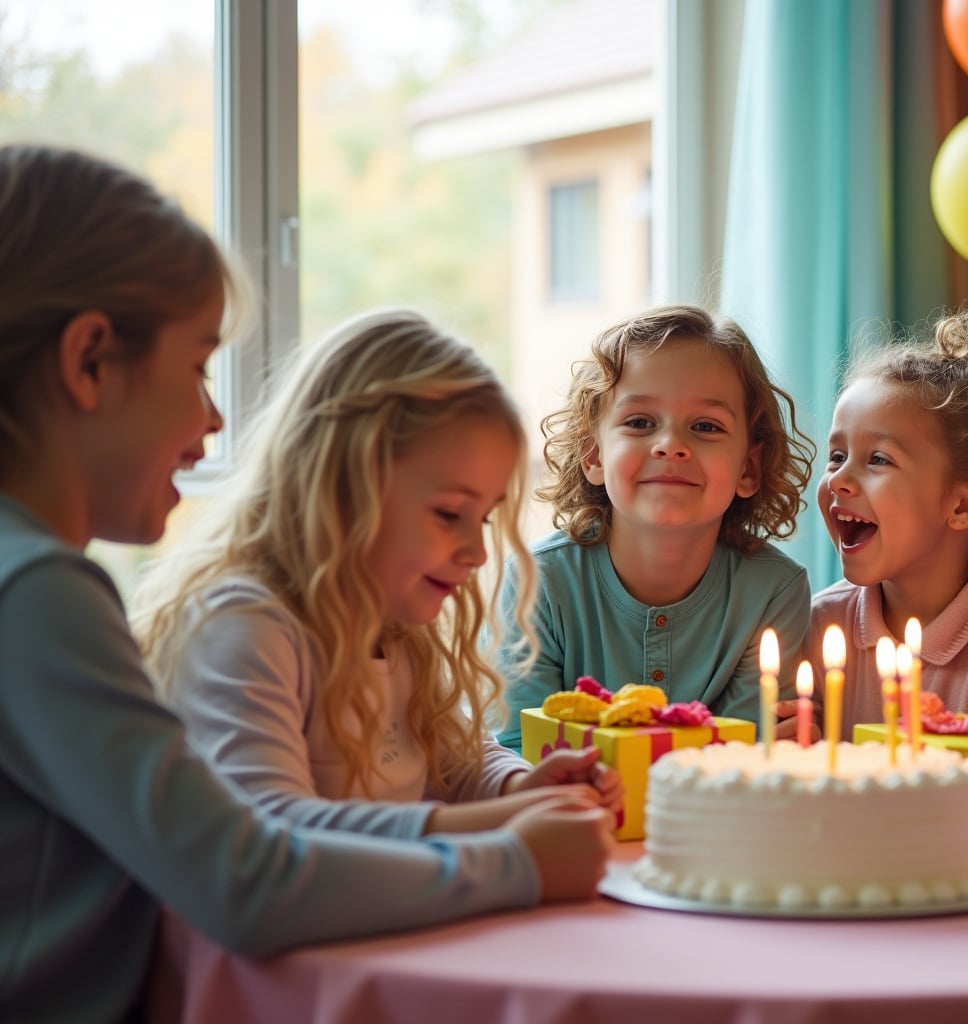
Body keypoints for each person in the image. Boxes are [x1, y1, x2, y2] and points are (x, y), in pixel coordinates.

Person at [0, 144, 611, 1022]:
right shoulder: (38, 594)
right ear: (90, 360)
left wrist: (515, 795)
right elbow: (243, 870)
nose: (214, 416)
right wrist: (513, 859)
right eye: (200, 365)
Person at [136, 310, 622, 837]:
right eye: (447, 515)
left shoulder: (396, 630)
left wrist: (522, 788)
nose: (478, 553)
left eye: (482, 519)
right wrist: (509, 823)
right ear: (342, 489)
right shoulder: (245, 628)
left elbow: (460, 756)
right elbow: (274, 832)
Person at [496, 305, 815, 749]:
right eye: (640, 423)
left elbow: (745, 761)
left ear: (749, 466)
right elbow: (521, 750)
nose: (670, 446)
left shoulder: (774, 593)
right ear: (594, 455)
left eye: (706, 426)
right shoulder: (538, 583)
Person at [807, 311, 968, 740]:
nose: (837, 479)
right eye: (837, 456)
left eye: (878, 459)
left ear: (967, 504)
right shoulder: (818, 625)